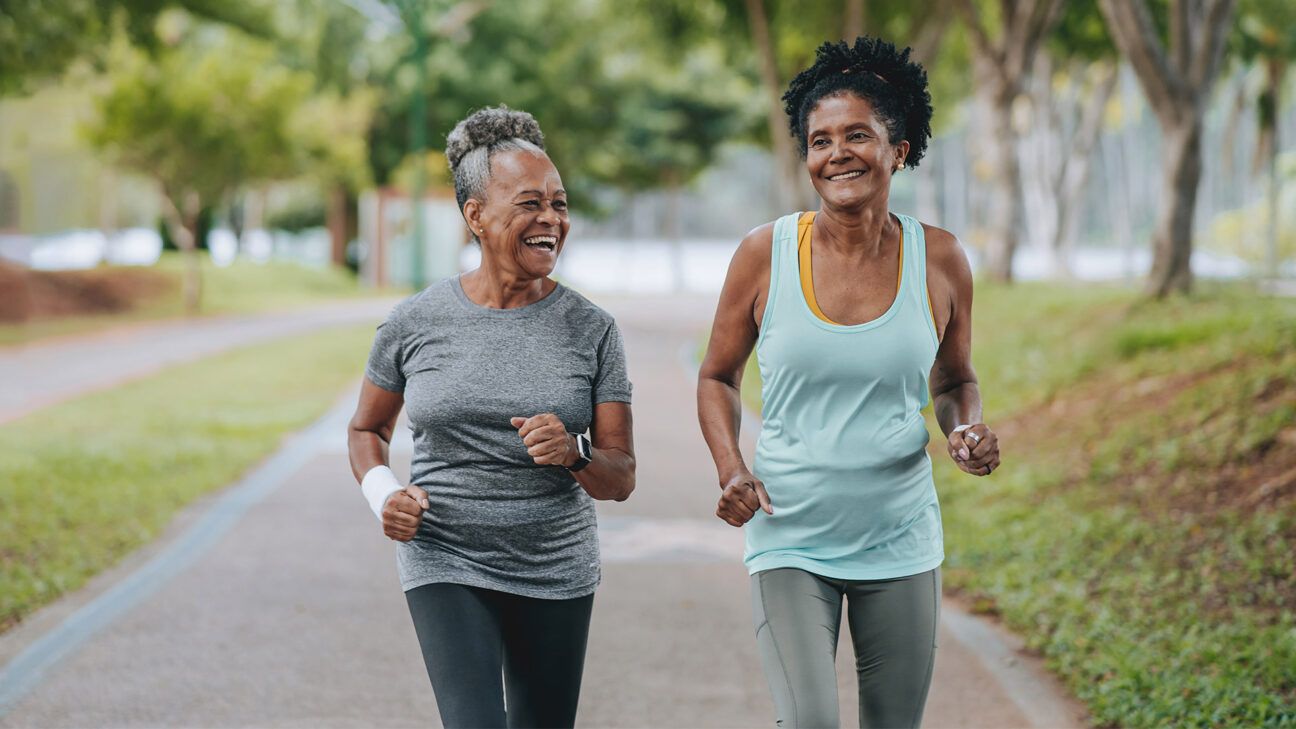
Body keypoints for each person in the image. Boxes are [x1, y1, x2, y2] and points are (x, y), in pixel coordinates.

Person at [697, 38, 1001, 728]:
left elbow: (955, 378)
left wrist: (963, 428)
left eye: (857, 135)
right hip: (790, 531)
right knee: (809, 720)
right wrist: (730, 467)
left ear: (898, 149)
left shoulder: (942, 257)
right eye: (820, 140)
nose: (837, 152)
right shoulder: (764, 254)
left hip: (898, 534)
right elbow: (717, 375)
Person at [346, 106, 635, 729]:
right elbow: (366, 430)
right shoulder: (413, 322)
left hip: (553, 563)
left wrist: (575, 451)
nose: (551, 220)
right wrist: (384, 493)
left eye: (559, 204)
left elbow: (621, 476)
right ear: (475, 214)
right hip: (444, 552)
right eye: (530, 203)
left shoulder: (592, 329)